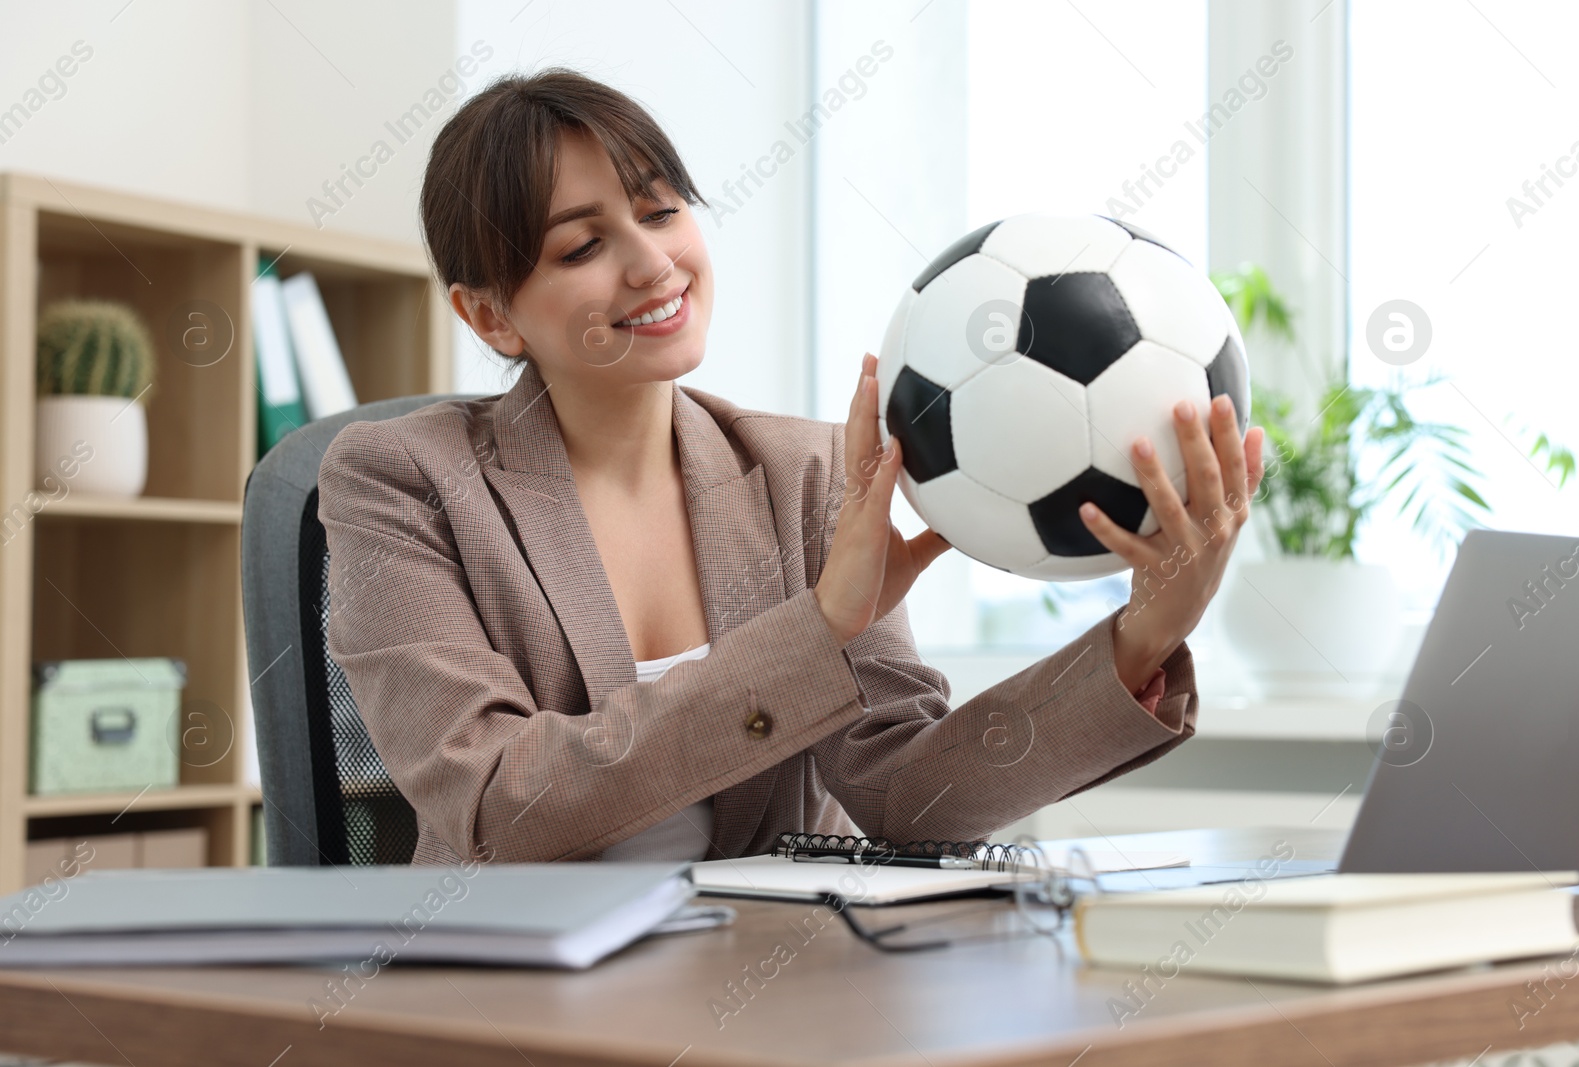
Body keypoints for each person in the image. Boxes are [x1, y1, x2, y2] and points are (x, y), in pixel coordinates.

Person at [317, 67, 1266, 866]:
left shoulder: (808, 474)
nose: (654, 263)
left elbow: (908, 799)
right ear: (489, 315)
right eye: (583, 245)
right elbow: (493, 806)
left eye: (661, 210)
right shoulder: (398, 479)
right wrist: (816, 628)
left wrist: (1139, 640)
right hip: (516, 1009)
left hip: (767, 993)